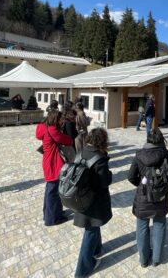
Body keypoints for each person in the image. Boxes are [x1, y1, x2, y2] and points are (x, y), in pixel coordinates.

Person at [128, 128, 168, 267]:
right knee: (159, 224)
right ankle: (156, 258)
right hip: (161, 196)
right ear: (162, 140)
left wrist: (142, 186)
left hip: (143, 197)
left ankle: (143, 260)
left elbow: (131, 176)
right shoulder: (166, 154)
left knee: (142, 226)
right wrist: (163, 186)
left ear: (148, 139)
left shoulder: (139, 155)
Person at [73, 128, 112, 277]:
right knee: (91, 230)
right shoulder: (100, 158)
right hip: (94, 202)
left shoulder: (82, 152)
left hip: (82, 198)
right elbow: (104, 182)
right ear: (102, 141)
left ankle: (97, 249)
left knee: (94, 226)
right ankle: (82, 270)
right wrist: (109, 173)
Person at [35, 110, 73, 226]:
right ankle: (52, 219)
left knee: (49, 190)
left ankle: (48, 214)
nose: (62, 121)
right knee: (54, 191)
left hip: (48, 161)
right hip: (54, 163)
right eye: (61, 119)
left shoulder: (43, 127)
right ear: (56, 119)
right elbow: (67, 140)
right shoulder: (52, 129)